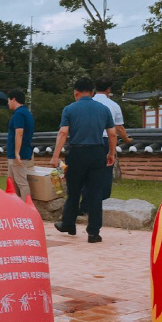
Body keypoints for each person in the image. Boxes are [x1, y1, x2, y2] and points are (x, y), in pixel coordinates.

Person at [50, 77, 116, 244]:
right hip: (97, 153)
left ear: (76, 93)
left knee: (73, 191)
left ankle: (69, 224)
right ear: (92, 93)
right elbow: (112, 133)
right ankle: (93, 233)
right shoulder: (103, 109)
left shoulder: (69, 109)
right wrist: (111, 153)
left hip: (77, 153)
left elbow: (63, 132)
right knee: (95, 193)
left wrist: (55, 156)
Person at [91, 77, 133, 201]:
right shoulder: (113, 105)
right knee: (106, 171)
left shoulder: (89, 103)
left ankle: (87, 203)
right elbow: (118, 127)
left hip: (89, 140)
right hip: (105, 141)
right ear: (109, 89)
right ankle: (104, 201)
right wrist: (126, 139)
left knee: (89, 171)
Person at [6, 89, 35, 201]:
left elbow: (19, 133)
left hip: (18, 153)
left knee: (21, 183)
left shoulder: (19, 114)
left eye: (8, 100)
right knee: (12, 182)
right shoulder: (26, 113)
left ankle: (26, 208)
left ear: (13, 99)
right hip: (21, 152)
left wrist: (17, 153)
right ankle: (16, 206)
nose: (8, 103)